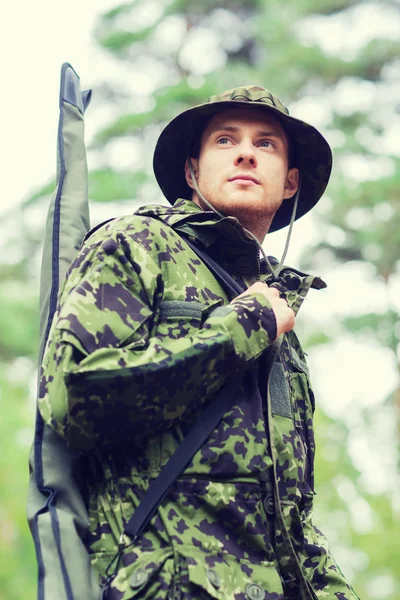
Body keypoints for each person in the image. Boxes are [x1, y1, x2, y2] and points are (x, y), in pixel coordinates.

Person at [37, 85, 359, 599]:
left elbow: (292, 519)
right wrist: (245, 325)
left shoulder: (282, 322)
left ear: (291, 181)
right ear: (192, 172)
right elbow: (73, 396)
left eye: (267, 144)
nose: (247, 152)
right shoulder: (138, 243)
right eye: (226, 140)